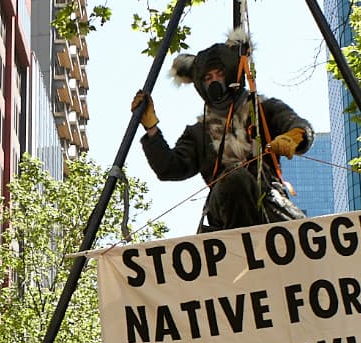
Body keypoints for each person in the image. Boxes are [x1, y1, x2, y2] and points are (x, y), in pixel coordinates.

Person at [131, 28, 311, 232]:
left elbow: (296, 124)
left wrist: (295, 135)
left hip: (269, 202)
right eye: (208, 77)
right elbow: (170, 167)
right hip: (224, 211)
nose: (215, 80)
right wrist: (151, 128)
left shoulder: (262, 108)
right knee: (234, 180)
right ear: (201, 84)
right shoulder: (199, 132)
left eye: (219, 74)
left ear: (232, 74)